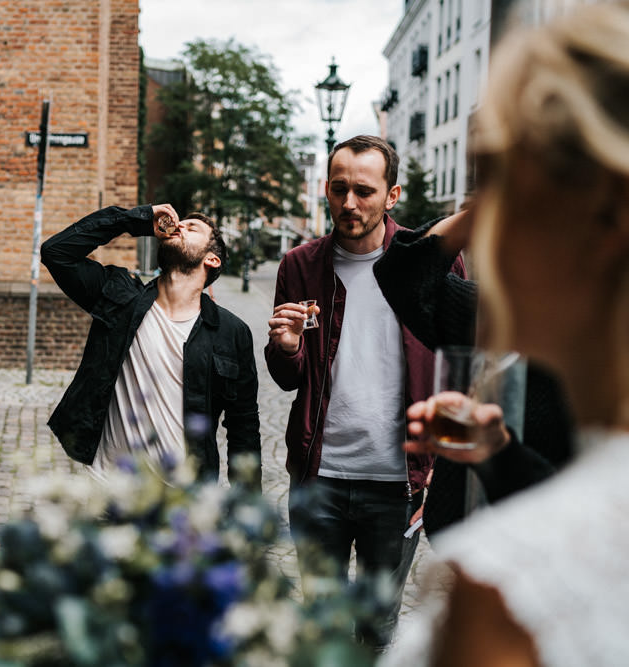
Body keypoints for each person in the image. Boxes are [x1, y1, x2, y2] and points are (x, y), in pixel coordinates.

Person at [381, 5, 629, 664]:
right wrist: (498, 449)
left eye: (501, 192)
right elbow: (405, 276)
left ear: (601, 225)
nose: (484, 229)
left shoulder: (510, 584)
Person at [265, 135, 465, 650]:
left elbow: (460, 364)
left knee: (377, 629)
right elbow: (290, 378)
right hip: (319, 477)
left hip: (399, 482)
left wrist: (442, 461)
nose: (349, 203)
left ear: (392, 195)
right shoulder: (299, 266)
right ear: (326, 191)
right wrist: (286, 348)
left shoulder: (432, 264)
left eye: (364, 190)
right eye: (338, 189)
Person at [372, 209, 574, 536]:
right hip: (467, 545)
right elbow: (401, 274)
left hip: (544, 560)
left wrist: (498, 454)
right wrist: (488, 206)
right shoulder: (499, 314)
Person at [41, 204, 261, 489]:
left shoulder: (231, 332)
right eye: (180, 223)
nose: (180, 225)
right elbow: (56, 253)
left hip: (182, 504)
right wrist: (139, 220)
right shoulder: (120, 297)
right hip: (107, 492)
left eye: (192, 228)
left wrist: (247, 508)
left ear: (212, 260)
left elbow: (243, 425)